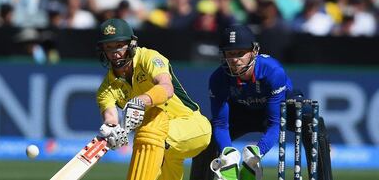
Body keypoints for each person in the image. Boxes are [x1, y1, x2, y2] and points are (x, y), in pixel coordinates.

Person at [189, 24, 333, 180]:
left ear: (254, 52)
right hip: (242, 113)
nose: (235, 60)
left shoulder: (272, 71)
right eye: (230, 54)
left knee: (311, 121)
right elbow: (220, 124)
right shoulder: (218, 79)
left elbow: (275, 123)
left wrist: (258, 152)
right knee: (205, 135)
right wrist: (227, 153)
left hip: (274, 112)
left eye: (240, 53)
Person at [95, 18, 211, 180]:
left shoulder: (148, 57)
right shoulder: (106, 88)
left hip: (191, 125)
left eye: (119, 45)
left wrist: (140, 101)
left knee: (149, 131)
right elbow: (110, 116)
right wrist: (112, 129)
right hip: (160, 146)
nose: (115, 52)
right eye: (109, 47)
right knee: (150, 134)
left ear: (131, 44)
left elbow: (166, 87)